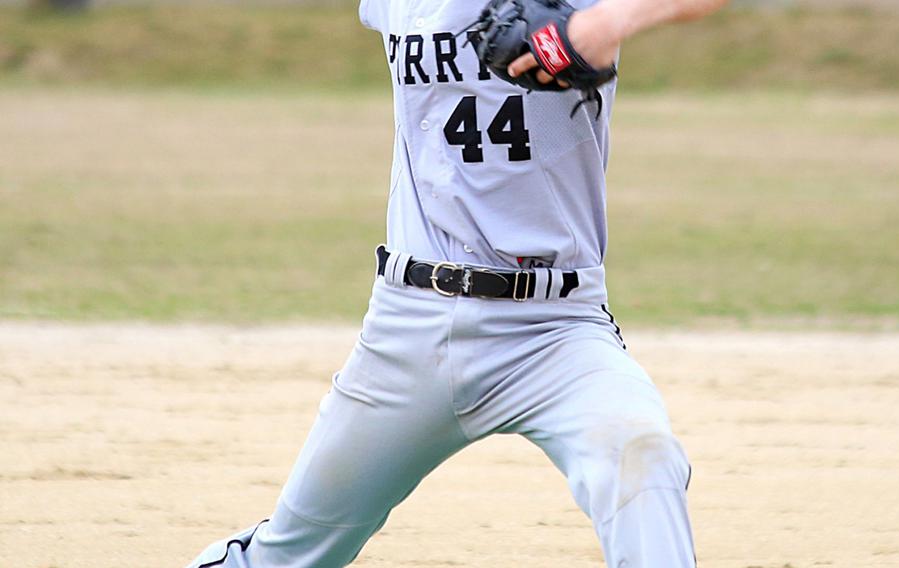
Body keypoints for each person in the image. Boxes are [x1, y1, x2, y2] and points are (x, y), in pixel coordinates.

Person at [187, 0, 727, 566]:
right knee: (295, 551)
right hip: (407, 329)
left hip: (554, 330)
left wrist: (608, 21)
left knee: (640, 451)